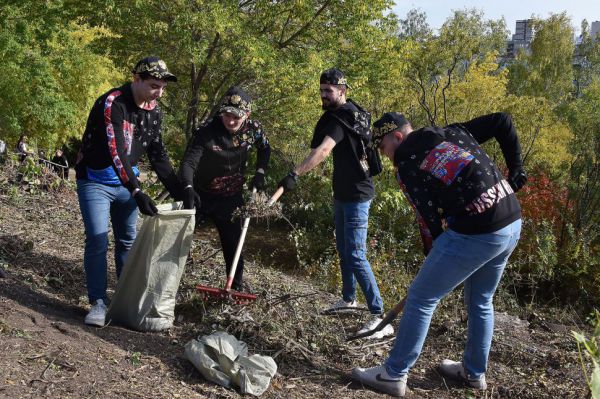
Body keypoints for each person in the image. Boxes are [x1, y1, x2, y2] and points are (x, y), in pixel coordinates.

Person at [350, 112, 527, 397]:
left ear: (397, 137)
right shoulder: (453, 132)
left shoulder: (407, 163)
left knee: (421, 297)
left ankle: (393, 375)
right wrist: (516, 167)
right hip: (511, 220)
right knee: (481, 299)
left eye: (382, 147)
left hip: (478, 231)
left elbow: (429, 222)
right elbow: (503, 121)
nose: (383, 155)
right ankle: (473, 373)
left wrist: (431, 258)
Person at [276, 68, 392, 339]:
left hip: (357, 195)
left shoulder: (340, 119)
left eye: (329, 91)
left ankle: (380, 317)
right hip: (343, 193)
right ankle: (349, 299)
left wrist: (295, 173)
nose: (324, 95)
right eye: (322, 90)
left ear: (343, 91)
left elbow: (324, 150)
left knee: (355, 254)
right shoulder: (353, 113)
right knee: (343, 248)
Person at [75, 56, 184, 327]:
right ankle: (98, 302)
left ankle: (126, 301)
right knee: (98, 239)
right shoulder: (113, 103)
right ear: (136, 79)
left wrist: (181, 189)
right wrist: (137, 191)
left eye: (162, 87)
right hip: (96, 180)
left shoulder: (155, 111)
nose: (158, 92)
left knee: (127, 241)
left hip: (126, 183)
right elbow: (116, 151)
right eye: (153, 85)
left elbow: (158, 154)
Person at [179, 86, 270, 292]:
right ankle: (169, 281)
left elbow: (265, 148)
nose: (230, 121)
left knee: (233, 244)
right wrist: (188, 186)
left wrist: (260, 172)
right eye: (226, 115)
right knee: (179, 239)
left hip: (231, 198)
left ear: (246, 115)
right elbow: (188, 163)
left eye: (236, 118)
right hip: (200, 194)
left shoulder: (253, 129)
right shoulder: (207, 130)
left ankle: (235, 288)